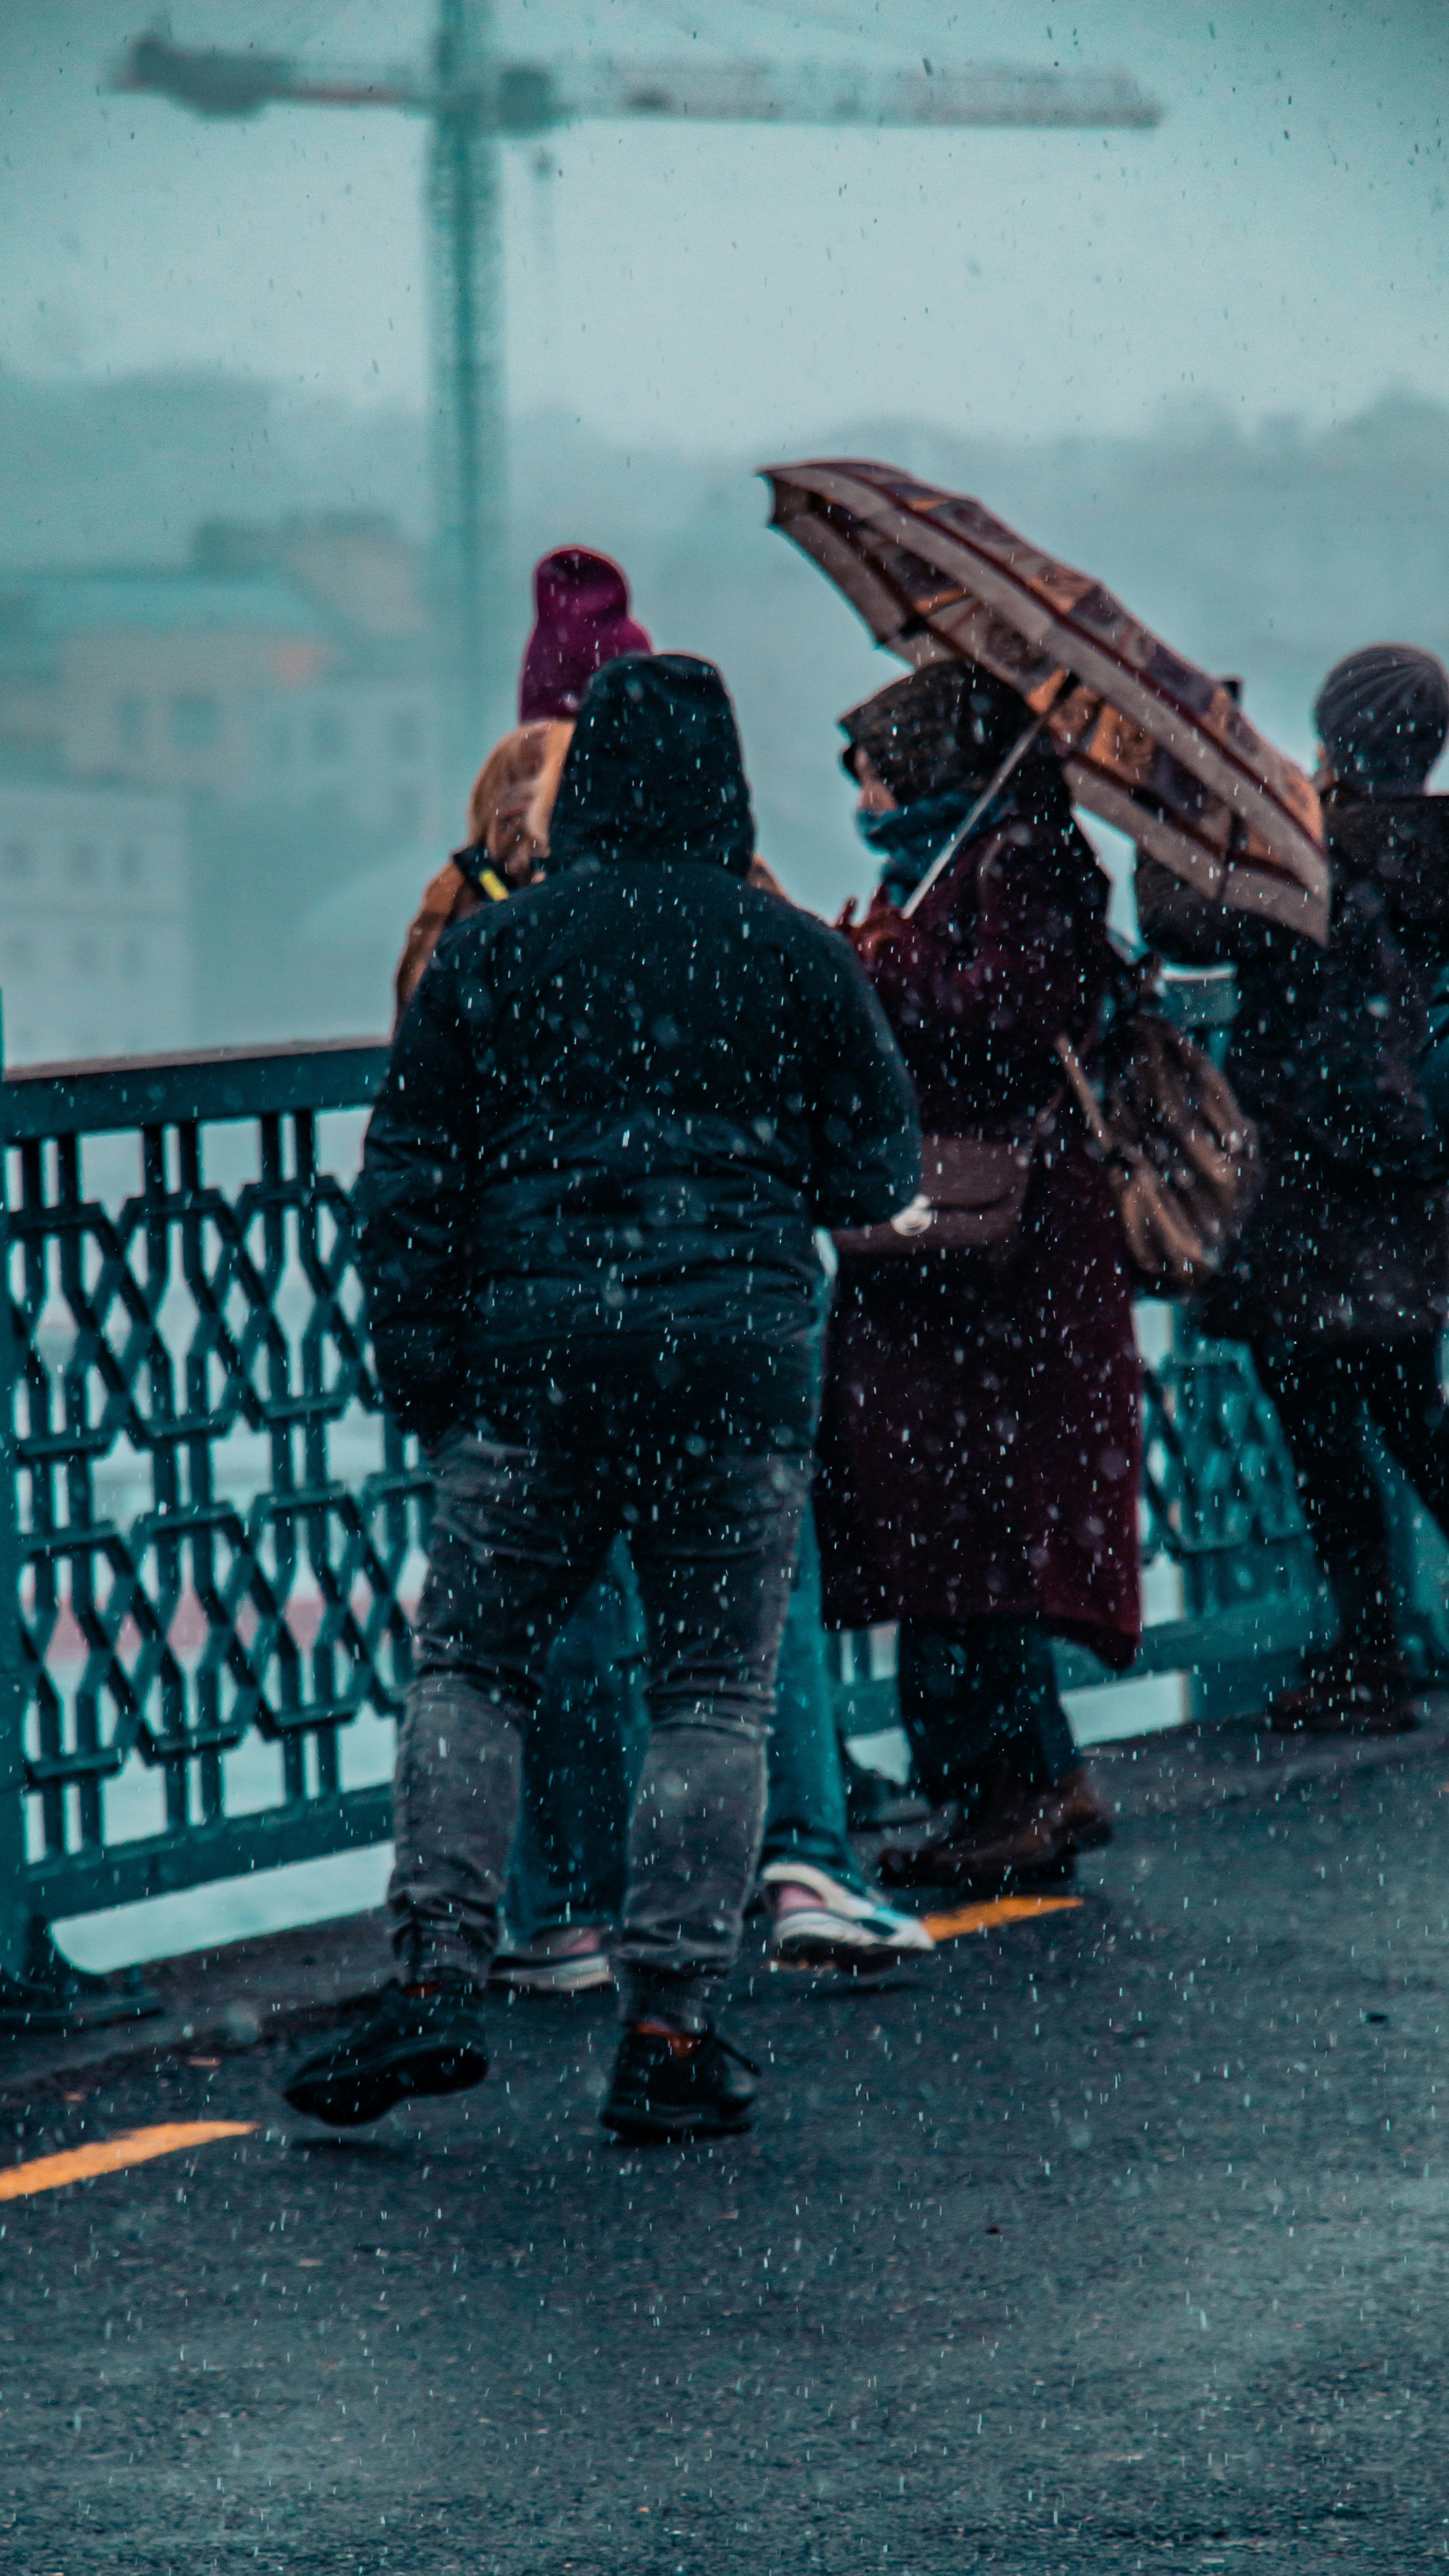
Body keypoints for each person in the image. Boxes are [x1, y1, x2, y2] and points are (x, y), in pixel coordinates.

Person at [282, 652, 921, 2140]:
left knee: (475, 1668)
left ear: (585, 791)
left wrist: (421, 1362)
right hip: (733, 1364)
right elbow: (875, 1176)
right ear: (728, 785)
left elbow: (409, 1179)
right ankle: (669, 2030)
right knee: (711, 1693)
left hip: (535, 1363)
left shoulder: (497, 953)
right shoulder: (788, 955)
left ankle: (436, 1980)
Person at [813, 661, 1134, 1892]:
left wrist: (883, 970)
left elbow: (1009, 1013)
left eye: (878, 765)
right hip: (959, 1257)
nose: (864, 788)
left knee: (969, 1530)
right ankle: (1034, 1780)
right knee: (964, 1530)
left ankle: (1003, 1795)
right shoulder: (959, 861)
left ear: (933, 760)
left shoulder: (1016, 859)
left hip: (995, 1250)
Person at [1137, 643, 1449, 1732]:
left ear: (1334, 732)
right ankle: (1386, 1651)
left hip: (1311, 1192)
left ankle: (1370, 1660)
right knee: (1418, 1419)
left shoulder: (1312, 860)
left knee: (1323, 1433)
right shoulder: (1431, 855)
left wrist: (1172, 791)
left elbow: (1183, 926)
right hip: (1409, 1186)